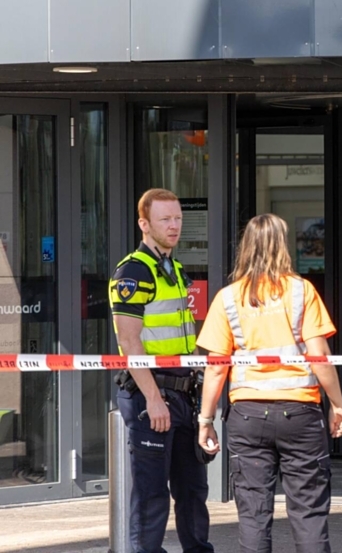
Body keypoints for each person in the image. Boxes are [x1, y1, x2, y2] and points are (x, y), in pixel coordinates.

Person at [196, 213, 342, 553]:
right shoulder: (301, 291)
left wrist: (205, 421)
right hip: (301, 414)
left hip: (247, 418)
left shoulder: (227, 298)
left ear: (245, 248)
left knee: (253, 515)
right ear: (283, 246)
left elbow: (216, 367)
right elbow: (319, 356)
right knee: (309, 513)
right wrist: (338, 405)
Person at [108, 188, 213, 553]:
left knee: (193, 490)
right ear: (144, 224)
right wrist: (153, 399)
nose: (174, 226)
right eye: (165, 219)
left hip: (183, 394)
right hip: (150, 395)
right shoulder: (134, 272)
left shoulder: (174, 268)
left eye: (178, 218)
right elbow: (129, 341)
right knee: (153, 495)